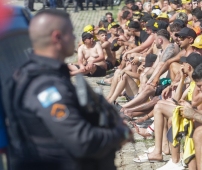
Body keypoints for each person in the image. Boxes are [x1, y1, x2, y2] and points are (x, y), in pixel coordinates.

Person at [8, 9, 131, 170]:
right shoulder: (44, 85)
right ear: (57, 37)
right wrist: (120, 133)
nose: (74, 38)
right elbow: (82, 140)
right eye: (71, 33)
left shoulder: (51, 73)